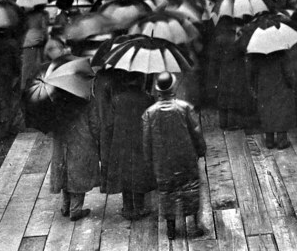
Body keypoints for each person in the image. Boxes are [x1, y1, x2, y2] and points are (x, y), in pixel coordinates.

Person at [142, 72, 207, 241]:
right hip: (185, 157)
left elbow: (146, 140)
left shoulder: (150, 113)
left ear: (158, 91)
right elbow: (196, 132)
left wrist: (150, 160)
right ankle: (193, 225)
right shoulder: (184, 108)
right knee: (190, 187)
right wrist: (200, 150)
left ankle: (171, 230)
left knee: (166, 192)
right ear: (172, 88)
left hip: (162, 161)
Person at [96, 70, 155, 220]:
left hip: (121, 142)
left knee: (126, 173)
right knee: (140, 173)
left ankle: (128, 207)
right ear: (141, 80)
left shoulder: (117, 99)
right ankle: (140, 207)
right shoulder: (148, 99)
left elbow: (109, 122)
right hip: (140, 141)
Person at [49, 63, 101, 222]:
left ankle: (65, 206)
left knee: (64, 171)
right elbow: (94, 123)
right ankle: (75, 209)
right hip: (81, 140)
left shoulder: (55, 99)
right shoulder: (86, 98)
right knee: (79, 173)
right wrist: (98, 138)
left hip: (61, 141)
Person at [246, 47, 297, 150]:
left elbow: (253, 71)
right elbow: (288, 73)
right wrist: (292, 83)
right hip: (280, 88)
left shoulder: (259, 55)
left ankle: (269, 140)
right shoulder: (282, 55)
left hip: (264, 88)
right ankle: (281, 141)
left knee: (267, 113)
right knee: (281, 114)